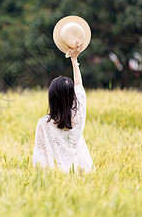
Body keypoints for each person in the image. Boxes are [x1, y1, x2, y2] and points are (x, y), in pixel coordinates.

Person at [32, 42, 95, 174]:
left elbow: (39, 159)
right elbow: (79, 86)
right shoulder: (79, 115)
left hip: (57, 178)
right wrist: (74, 59)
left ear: (51, 98)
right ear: (72, 97)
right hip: (83, 173)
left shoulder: (44, 124)